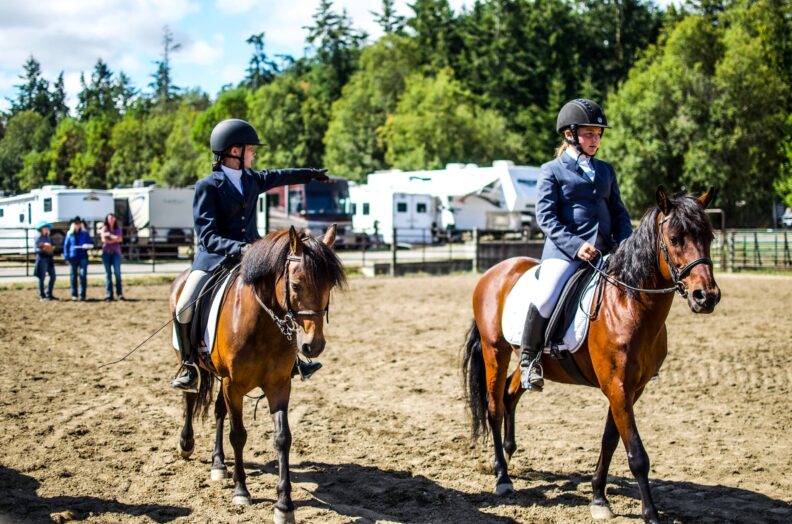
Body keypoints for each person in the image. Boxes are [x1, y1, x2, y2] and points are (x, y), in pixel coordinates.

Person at [171, 118, 331, 392]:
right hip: (214, 259)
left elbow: (282, 175)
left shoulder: (252, 179)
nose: (254, 153)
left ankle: (293, 361)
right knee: (184, 305)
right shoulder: (207, 186)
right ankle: (189, 366)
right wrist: (240, 248)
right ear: (234, 151)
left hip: (254, 259)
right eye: (250, 149)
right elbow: (207, 236)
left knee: (285, 298)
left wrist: (311, 173)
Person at [519, 99, 633, 391]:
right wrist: (575, 245)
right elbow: (545, 217)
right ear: (570, 134)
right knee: (546, 295)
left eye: (598, 134)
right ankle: (529, 361)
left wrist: (624, 244)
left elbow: (619, 212)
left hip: (607, 250)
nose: (596, 139)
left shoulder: (606, 170)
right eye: (589, 134)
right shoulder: (552, 171)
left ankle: (641, 357)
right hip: (566, 252)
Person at [63, 216, 93, 301]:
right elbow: (66, 246)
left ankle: (82, 294)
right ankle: (74, 294)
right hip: (73, 257)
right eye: (76, 223)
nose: (77, 225)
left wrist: (87, 246)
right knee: (73, 276)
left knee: (83, 275)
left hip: (83, 256)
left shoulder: (84, 233)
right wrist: (66, 257)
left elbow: (90, 243)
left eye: (79, 223)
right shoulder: (70, 234)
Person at [100, 213, 124, 301]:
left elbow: (120, 239)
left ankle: (119, 293)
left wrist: (109, 236)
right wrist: (114, 239)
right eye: (110, 218)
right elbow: (104, 240)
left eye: (113, 218)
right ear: (107, 220)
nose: (111, 220)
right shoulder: (104, 228)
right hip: (106, 253)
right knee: (108, 274)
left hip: (116, 253)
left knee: (117, 273)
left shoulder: (118, 228)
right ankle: (109, 294)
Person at [34, 220, 57, 301]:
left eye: (47, 227)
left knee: (53, 276)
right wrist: (44, 248)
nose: (46, 229)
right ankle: (42, 295)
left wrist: (50, 249)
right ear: (41, 229)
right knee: (42, 277)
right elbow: (36, 249)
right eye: (45, 227)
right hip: (41, 258)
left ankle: (49, 293)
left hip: (48, 258)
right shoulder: (38, 238)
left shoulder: (48, 237)